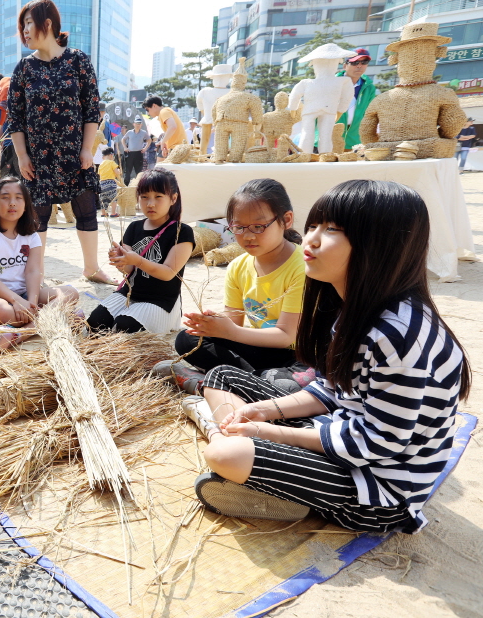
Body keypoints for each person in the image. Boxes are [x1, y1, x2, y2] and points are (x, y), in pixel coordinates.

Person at [186, 180, 471, 532]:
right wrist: (266, 412)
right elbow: (332, 388)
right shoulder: (354, 309)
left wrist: (268, 432)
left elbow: (375, 442)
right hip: (341, 430)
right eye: (314, 226)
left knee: (223, 454)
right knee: (222, 377)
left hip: (378, 489)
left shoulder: (394, 336)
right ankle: (254, 461)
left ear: (380, 244)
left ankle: (241, 453)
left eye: (332, 230)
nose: (310, 239)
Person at [7, 0, 115, 285]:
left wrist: (86, 149)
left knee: (86, 209)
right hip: (37, 157)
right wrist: (21, 155)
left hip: (73, 154)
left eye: (29, 23)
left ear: (49, 23)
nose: (24, 31)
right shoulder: (23, 69)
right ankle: (37, 274)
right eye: (23, 26)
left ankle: (91, 268)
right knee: (37, 217)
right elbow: (15, 117)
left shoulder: (78, 60)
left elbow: (91, 109)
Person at [162, 179, 305, 393]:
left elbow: (286, 336)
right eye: (238, 227)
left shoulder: (301, 267)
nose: (247, 236)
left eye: (258, 226)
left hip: (298, 356)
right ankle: (244, 382)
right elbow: (234, 324)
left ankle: (217, 382)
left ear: (286, 220)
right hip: (262, 350)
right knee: (188, 339)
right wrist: (213, 324)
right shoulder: (238, 267)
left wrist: (231, 331)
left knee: (290, 386)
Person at [0, 177, 79, 349]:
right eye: (5, 197)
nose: (12, 203)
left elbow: (33, 272)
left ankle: (21, 333)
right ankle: (61, 318)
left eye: (18, 197)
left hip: (28, 295)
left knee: (70, 293)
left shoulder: (31, 235)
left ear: (26, 204)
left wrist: (30, 302)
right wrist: (16, 302)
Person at [87, 168, 194, 333]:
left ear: (173, 198)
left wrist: (137, 260)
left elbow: (168, 273)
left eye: (158, 197)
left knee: (124, 327)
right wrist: (120, 261)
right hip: (129, 293)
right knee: (95, 323)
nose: (150, 204)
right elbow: (129, 270)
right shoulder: (134, 227)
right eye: (144, 197)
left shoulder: (182, 231)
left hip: (161, 300)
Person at [335, 48, 376, 152]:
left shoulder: (369, 88)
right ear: (345, 65)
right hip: (328, 140)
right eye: (355, 62)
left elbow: (370, 115)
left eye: (364, 62)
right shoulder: (332, 83)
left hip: (354, 143)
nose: (359, 66)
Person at [121, 115, 150, 185]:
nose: (138, 125)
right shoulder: (129, 132)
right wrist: (125, 147)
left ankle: (138, 185)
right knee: (127, 171)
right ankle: (126, 185)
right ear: (134, 124)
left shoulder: (144, 132)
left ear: (141, 125)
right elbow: (123, 139)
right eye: (136, 123)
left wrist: (145, 148)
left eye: (139, 124)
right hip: (130, 153)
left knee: (139, 171)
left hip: (139, 153)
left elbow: (149, 140)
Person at [97, 147, 123, 218]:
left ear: (103, 156)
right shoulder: (112, 162)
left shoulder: (101, 164)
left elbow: (99, 174)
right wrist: (119, 172)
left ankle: (103, 213)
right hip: (110, 183)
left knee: (103, 199)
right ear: (111, 155)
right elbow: (116, 172)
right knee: (114, 198)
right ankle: (113, 213)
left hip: (102, 183)